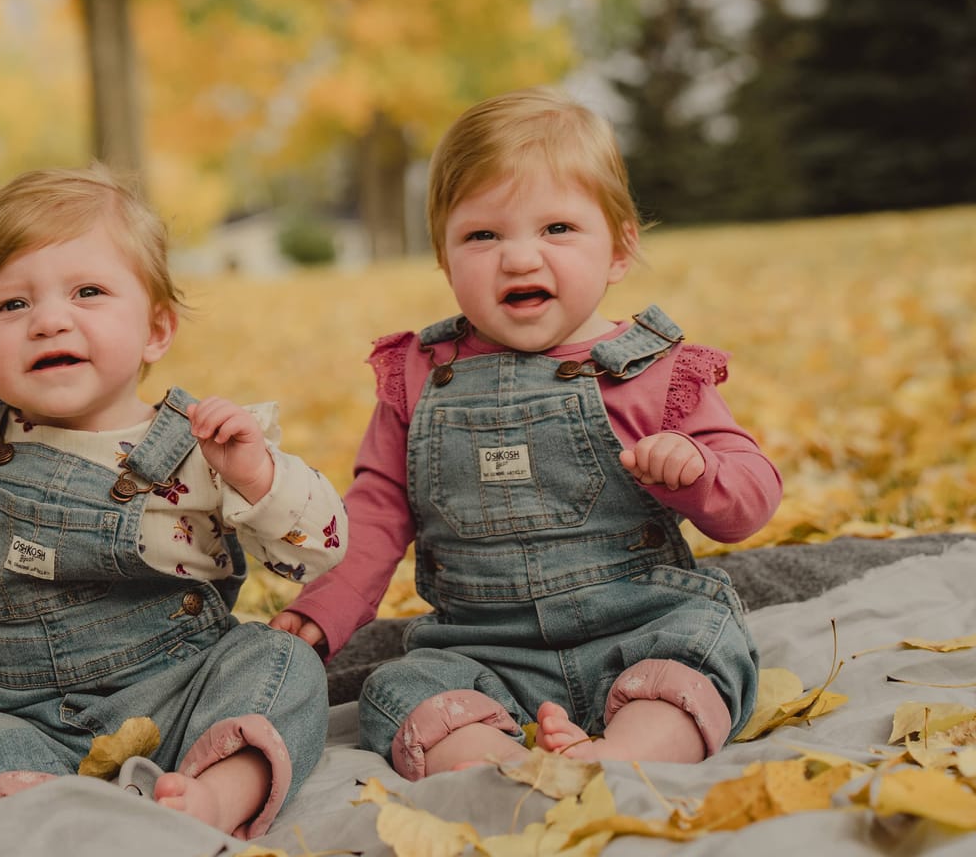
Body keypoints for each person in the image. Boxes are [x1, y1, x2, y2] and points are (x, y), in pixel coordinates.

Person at [272, 90, 780, 775]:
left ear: (620, 249)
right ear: (445, 257)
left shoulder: (653, 371)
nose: (518, 259)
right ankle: (502, 771)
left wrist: (698, 471)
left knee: (702, 654)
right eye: (483, 235)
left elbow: (751, 494)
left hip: (642, 623)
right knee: (400, 692)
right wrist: (324, 607)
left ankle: (621, 758)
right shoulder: (420, 377)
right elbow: (377, 506)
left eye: (557, 229)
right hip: (483, 649)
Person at [0, 166, 344, 839]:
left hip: (179, 693)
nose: (48, 321)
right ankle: (58, 823)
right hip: (21, 716)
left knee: (283, 665)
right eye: (11, 306)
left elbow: (317, 552)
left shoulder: (197, 446)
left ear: (157, 329)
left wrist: (255, 474)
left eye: (88, 292)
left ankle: (216, 796)